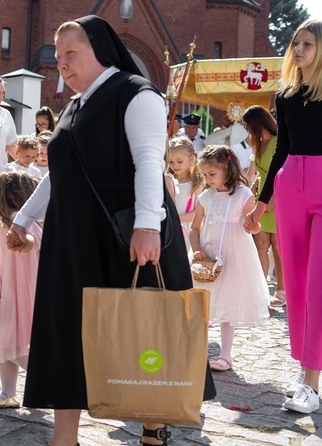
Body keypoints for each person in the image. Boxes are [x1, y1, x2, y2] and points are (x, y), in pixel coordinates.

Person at [7, 16, 215, 446]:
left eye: (71, 52)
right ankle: (64, 437)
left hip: (125, 234)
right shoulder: (75, 105)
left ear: (99, 48)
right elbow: (60, 172)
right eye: (58, 54)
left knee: (144, 325)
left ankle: (154, 421)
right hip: (75, 240)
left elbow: (148, 162)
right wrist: (24, 217)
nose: (61, 62)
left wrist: (146, 228)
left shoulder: (137, 94)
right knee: (69, 331)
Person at [245, 19, 322, 414]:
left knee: (317, 284)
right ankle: (305, 367)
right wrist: (261, 203)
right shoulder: (286, 94)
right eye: (295, 43)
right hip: (291, 183)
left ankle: (311, 382)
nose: (298, 49)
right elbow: (280, 149)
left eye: (306, 44)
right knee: (294, 284)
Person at [189, 145, 270, 372]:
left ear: (228, 168)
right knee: (202, 302)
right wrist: (197, 250)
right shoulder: (205, 197)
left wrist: (253, 225)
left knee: (228, 303)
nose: (208, 179)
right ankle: (195, 350)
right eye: (204, 175)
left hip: (234, 255)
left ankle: (225, 355)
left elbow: (253, 228)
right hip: (208, 254)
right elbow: (194, 228)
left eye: (212, 174)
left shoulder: (243, 195)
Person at [0, 171, 42, 409]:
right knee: (7, 343)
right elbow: (6, 258)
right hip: (12, 291)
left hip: (22, 293)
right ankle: (8, 394)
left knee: (13, 343)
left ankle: (46, 376)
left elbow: (29, 243)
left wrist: (24, 241)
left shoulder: (21, 222)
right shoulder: (11, 224)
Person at [241, 105, 285, 307]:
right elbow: (260, 174)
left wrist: (270, 202)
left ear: (256, 124)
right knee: (260, 245)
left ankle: (281, 291)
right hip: (262, 199)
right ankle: (260, 289)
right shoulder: (258, 145)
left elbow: (281, 173)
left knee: (278, 247)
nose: (247, 130)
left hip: (278, 199)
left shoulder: (279, 143)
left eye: (248, 125)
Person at [167, 136, 203, 250]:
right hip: (169, 228)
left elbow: (198, 213)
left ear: (191, 158)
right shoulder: (167, 180)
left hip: (188, 231)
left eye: (179, 161)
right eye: (171, 161)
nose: (175, 165)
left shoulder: (197, 183)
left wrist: (176, 218)